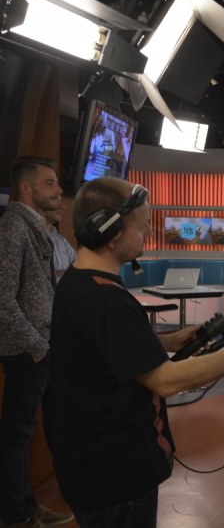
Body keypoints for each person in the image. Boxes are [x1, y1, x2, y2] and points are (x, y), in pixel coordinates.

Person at [42, 177, 224, 528]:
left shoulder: (77, 283)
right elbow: (166, 381)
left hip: (92, 471)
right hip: (116, 481)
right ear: (112, 233)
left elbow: (104, 350)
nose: (148, 234)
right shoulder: (106, 301)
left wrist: (165, 342)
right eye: (142, 227)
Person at [0, 156, 74, 528]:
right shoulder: (13, 229)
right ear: (26, 187)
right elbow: (2, 301)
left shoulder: (32, 227)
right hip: (27, 353)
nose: (59, 190)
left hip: (41, 349)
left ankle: (26, 507)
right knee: (17, 437)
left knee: (30, 434)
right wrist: (38, 345)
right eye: (49, 183)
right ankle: (16, 515)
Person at [43, 203, 77, 282]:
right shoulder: (31, 237)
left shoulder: (61, 240)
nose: (62, 207)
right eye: (54, 199)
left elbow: (79, 265)